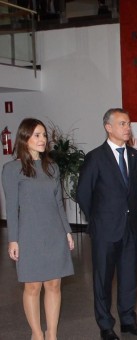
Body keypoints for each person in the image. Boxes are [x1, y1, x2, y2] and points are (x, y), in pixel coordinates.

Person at [77, 108, 137, 340]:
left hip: (131, 228)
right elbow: (84, 194)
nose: (127, 128)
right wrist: (97, 219)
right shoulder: (95, 157)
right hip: (105, 229)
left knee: (129, 278)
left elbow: (135, 191)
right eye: (122, 124)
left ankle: (128, 320)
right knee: (103, 280)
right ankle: (106, 325)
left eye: (128, 123)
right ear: (108, 127)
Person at [2, 118, 74, 340]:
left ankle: (51, 334)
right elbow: (11, 207)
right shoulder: (12, 169)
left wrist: (67, 231)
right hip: (29, 234)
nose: (43, 139)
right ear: (25, 139)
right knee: (32, 286)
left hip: (54, 233)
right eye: (37, 135)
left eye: (43, 135)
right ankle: (37, 334)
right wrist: (13, 239)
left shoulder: (52, 167)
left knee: (53, 284)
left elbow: (58, 203)